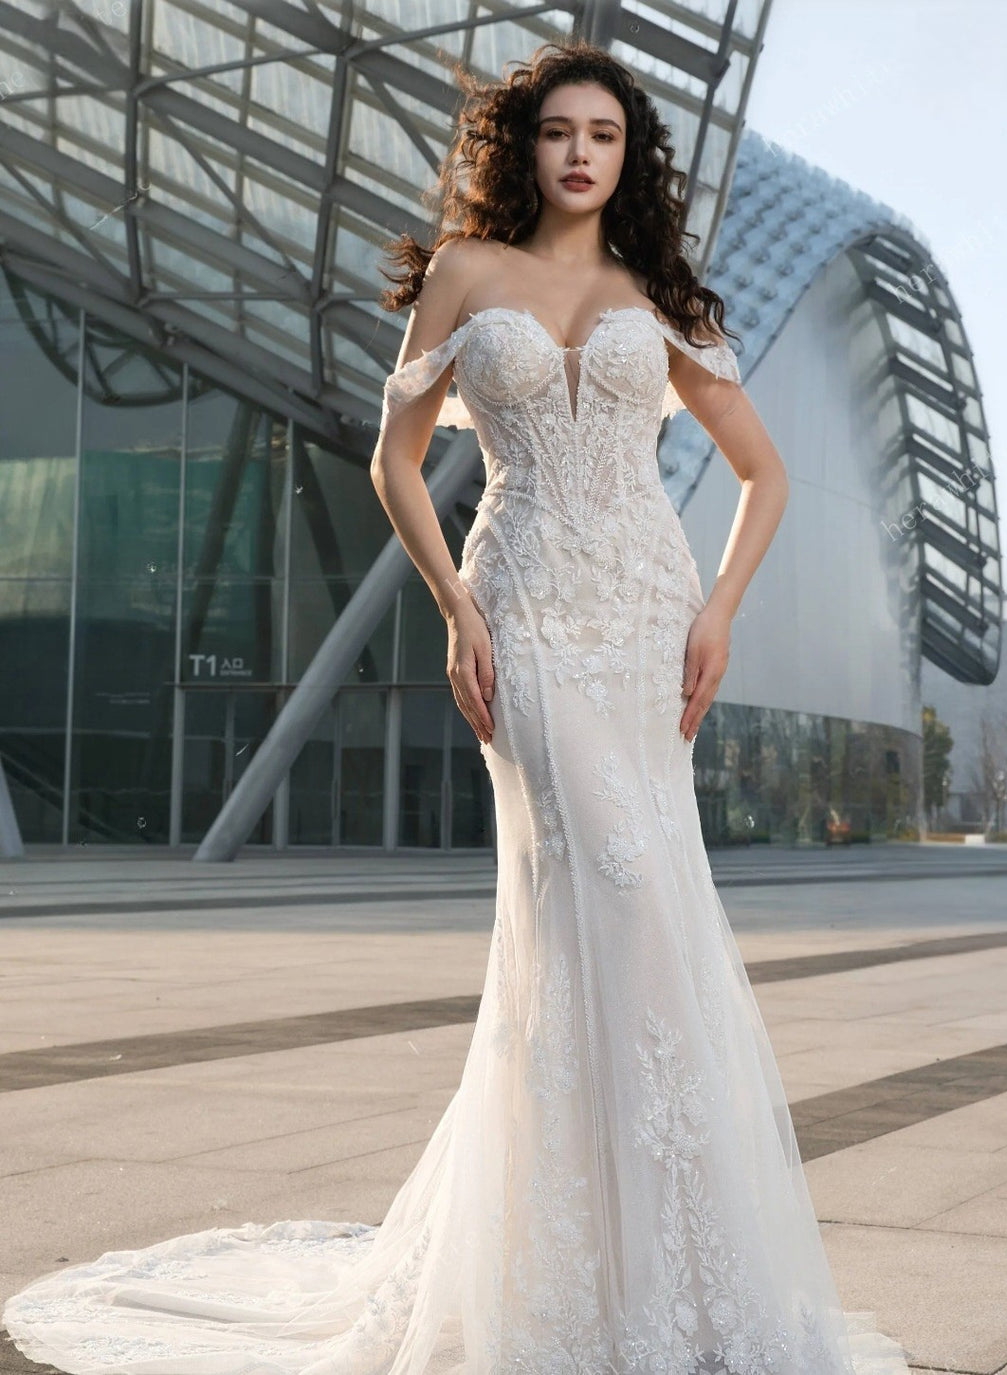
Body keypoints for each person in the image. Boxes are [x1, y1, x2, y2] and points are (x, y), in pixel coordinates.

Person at [2, 38, 912, 1375]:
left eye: (604, 132)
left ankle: (657, 1269)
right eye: (558, 131)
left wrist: (716, 613)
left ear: (630, 154)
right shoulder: (464, 274)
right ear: (526, 148)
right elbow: (396, 457)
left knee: (652, 915)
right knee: (595, 895)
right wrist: (455, 608)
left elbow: (764, 475)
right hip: (526, 613)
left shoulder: (651, 293)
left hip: (647, 620)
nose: (581, 153)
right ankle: (554, 1276)